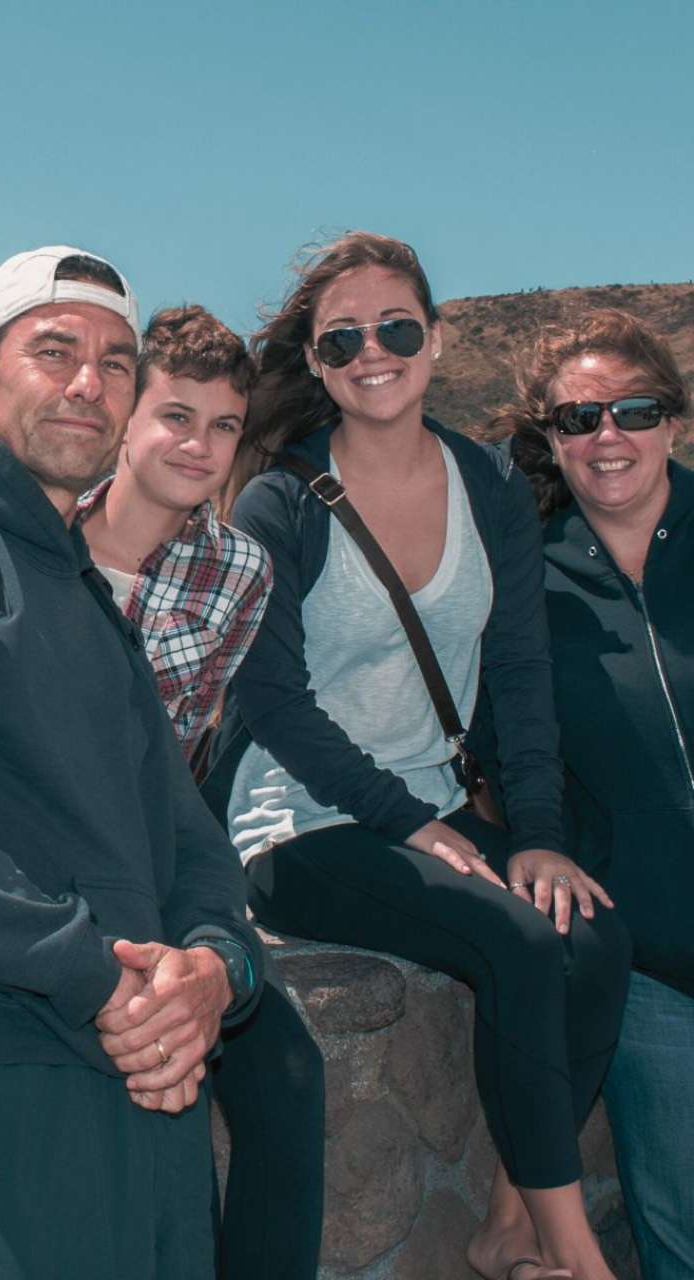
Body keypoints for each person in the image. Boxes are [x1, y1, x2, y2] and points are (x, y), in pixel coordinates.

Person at [211, 231, 632, 1280]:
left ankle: (506, 1224)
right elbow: (271, 699)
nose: (373, 352)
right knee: (519, 942)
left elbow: (520, 671)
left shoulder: (488, 484)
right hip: (300, 821)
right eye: (342, 338)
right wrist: (407, 820)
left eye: (396, 329)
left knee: (592, 936)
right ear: (317, 364)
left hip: (432, 804)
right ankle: (576, 1254)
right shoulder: (281, 500)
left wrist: (537, 834)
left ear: (436, 339)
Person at [0, 246, 263, 1280]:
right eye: (54, 352)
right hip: (11, 1093)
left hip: (149, 1094)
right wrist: (98, 978)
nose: (87, 384)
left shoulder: (93, 602)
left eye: (114, 363)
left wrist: (216, 970)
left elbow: (187, 834)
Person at [80, 304, 325, 1280]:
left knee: (288, 1075)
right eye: (176, 417)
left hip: (152, 873)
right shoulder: (41, 534)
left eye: (224, 426)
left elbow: (186, 757)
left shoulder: (238, 571)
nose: (200, 446)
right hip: (37, 879)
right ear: (127, 416)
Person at [487, 309, 694, 1280]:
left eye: (633, 410)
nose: (608, 435)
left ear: (672, 420)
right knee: (679, 1234)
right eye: (578, 418)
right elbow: (512, 753)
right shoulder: (527, 583)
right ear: (553, 438)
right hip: (653, 975)